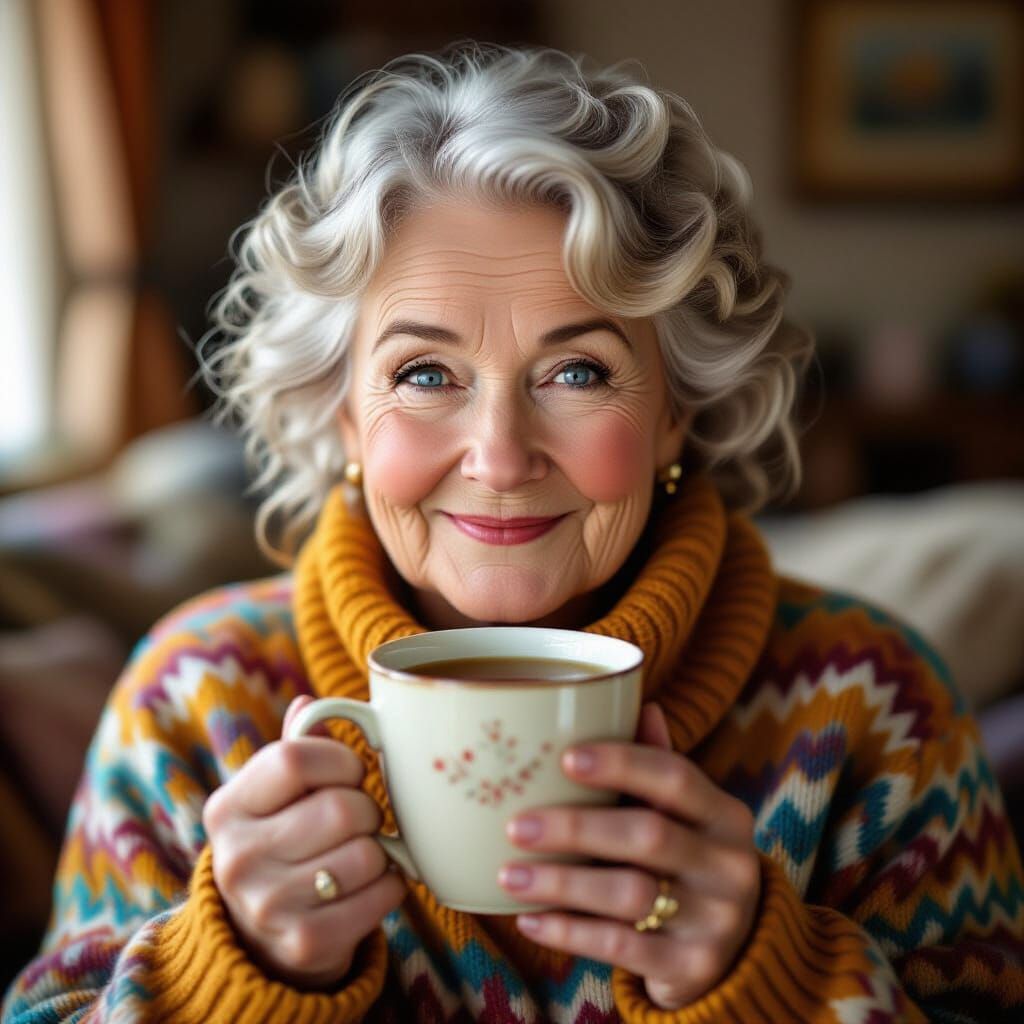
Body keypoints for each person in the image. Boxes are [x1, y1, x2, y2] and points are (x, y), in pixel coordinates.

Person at [4, 42, 1023, 1024]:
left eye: (576, 372)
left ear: (677, 410)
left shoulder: (874, 704)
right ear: (345, 417)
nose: (497, 455)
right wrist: (226, 973)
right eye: (423, 374)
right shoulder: (196, 701)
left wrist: (770, 977)